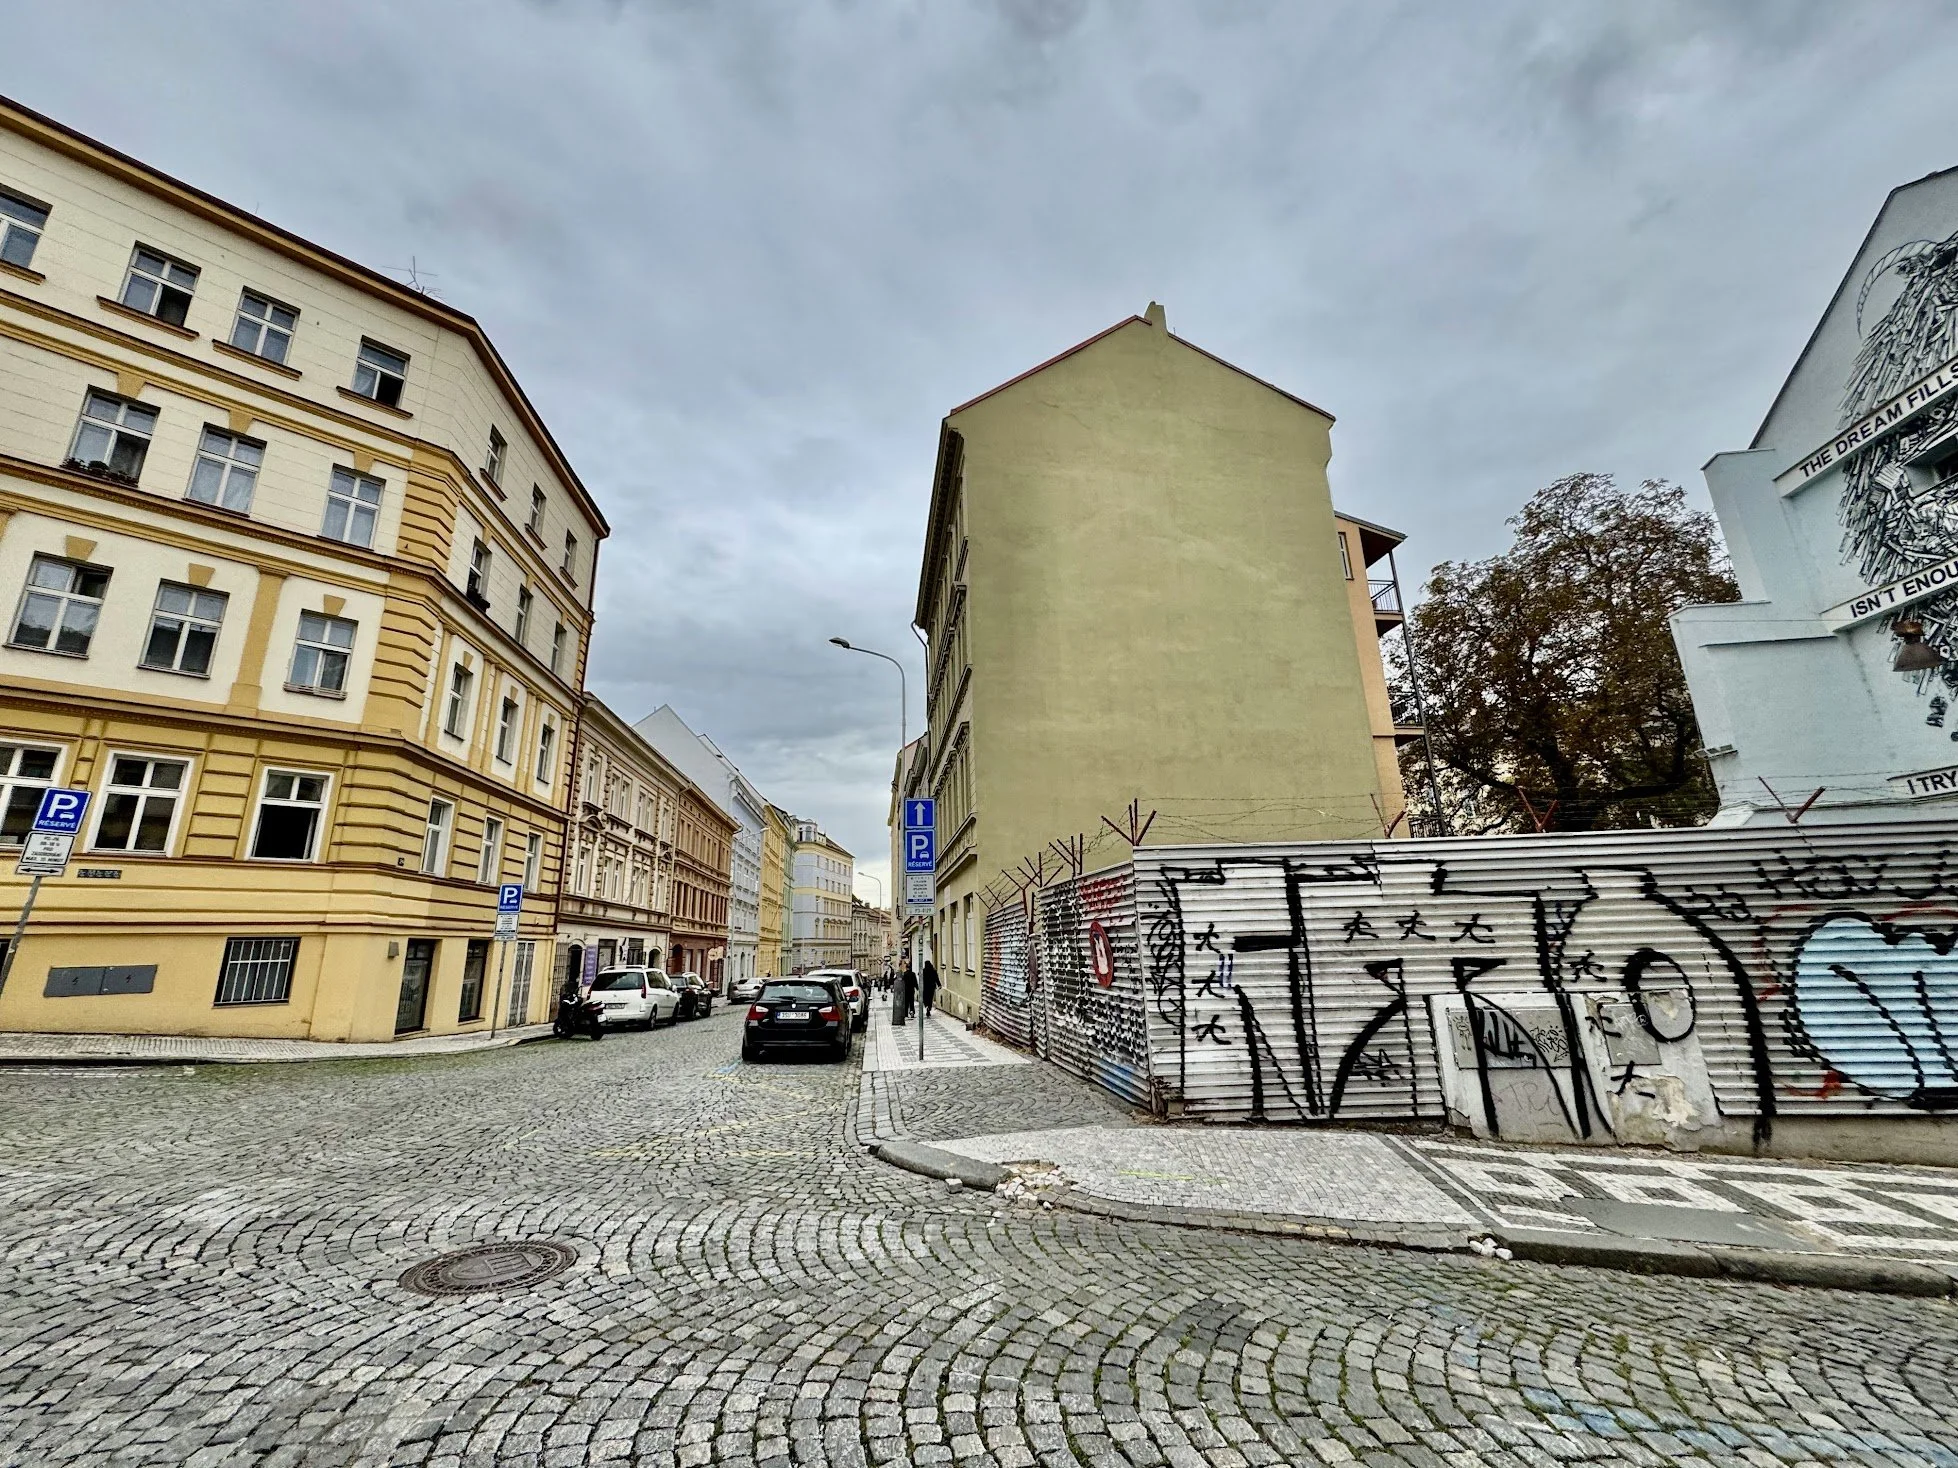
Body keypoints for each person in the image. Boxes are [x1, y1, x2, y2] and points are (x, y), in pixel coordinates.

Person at [892, 955, 915, 1026]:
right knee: (911, 1002)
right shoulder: (912, 974)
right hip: (911, 990)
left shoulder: (903, 975)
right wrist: (917, 988)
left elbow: (899, 982)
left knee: (905, 1002)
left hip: (905, 991)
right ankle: (912, 1012)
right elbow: (915, 982)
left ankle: (905, 1014)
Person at [921, 955, 940, 1019]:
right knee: (930, 998)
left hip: (925, 987)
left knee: (925, 998)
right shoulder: (933, 971)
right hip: (932, 987)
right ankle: (929, 1007)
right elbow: (936, 978)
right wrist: (939, 985)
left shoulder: (923, 971)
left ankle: (926, 1006)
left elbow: (919, 974)